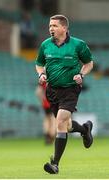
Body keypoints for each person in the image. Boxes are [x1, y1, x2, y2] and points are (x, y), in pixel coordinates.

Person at [35, 14, 94, 174]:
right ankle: (84, 129)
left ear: (64, 28)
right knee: (66, 126)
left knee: (60, 122)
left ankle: (55, 163)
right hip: (52, 90)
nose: (51, 29)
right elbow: (39, 64)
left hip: (70, 89)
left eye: (54, 26)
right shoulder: (45, 45)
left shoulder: (78, 45)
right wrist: (41, 75)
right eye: (49, 26)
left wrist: (81, 75)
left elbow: (89, 63)